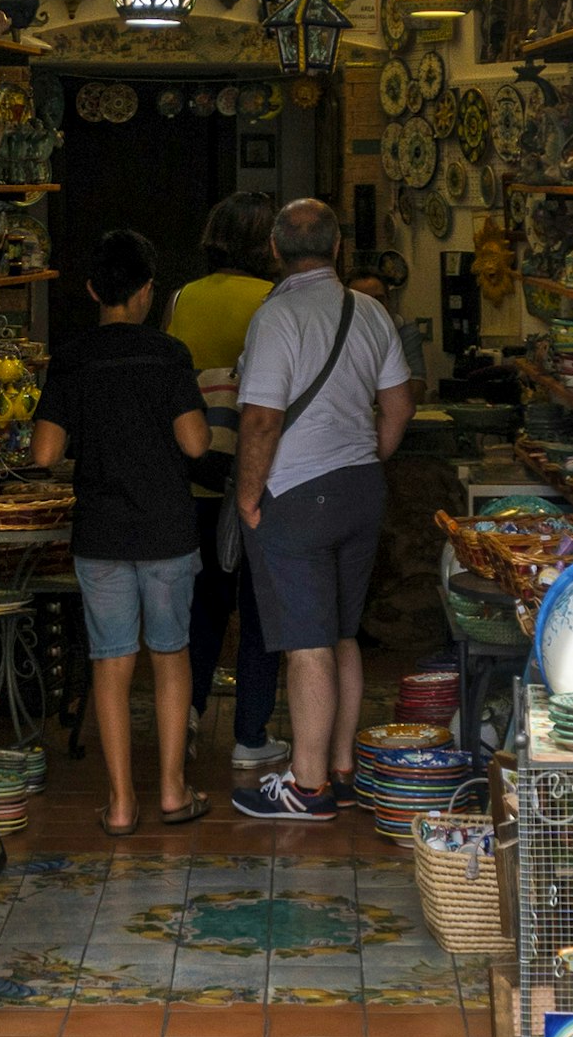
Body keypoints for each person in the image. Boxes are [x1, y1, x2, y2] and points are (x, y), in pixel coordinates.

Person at [231, 199, 412, 821]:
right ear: (338, 249)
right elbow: (398, 407)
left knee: (306, 643)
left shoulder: (275, 317)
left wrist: (249, 496)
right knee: (342, 632)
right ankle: (341, 766)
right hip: (362, 486)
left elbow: (260, 420)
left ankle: (307, 788)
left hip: (299, 494)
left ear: (275, 252)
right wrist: (367, 456)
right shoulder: (371, 313)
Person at [32, 229, 211, 832]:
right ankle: (170, 791)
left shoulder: (73, 359)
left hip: (101, 532)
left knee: (111, 662)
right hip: (166, 528)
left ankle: (119, 805)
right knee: (170, 656)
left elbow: (44, 453)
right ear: (147, 291)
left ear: (90, 290)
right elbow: (195, 442)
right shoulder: (169, 354)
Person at [166, 193, 284, 768]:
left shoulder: (183, 298)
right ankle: (250, 734)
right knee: (260, 606)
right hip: (257, 472)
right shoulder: (273, 299)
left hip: (196, 471)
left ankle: (185, 720)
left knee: (203, 607)